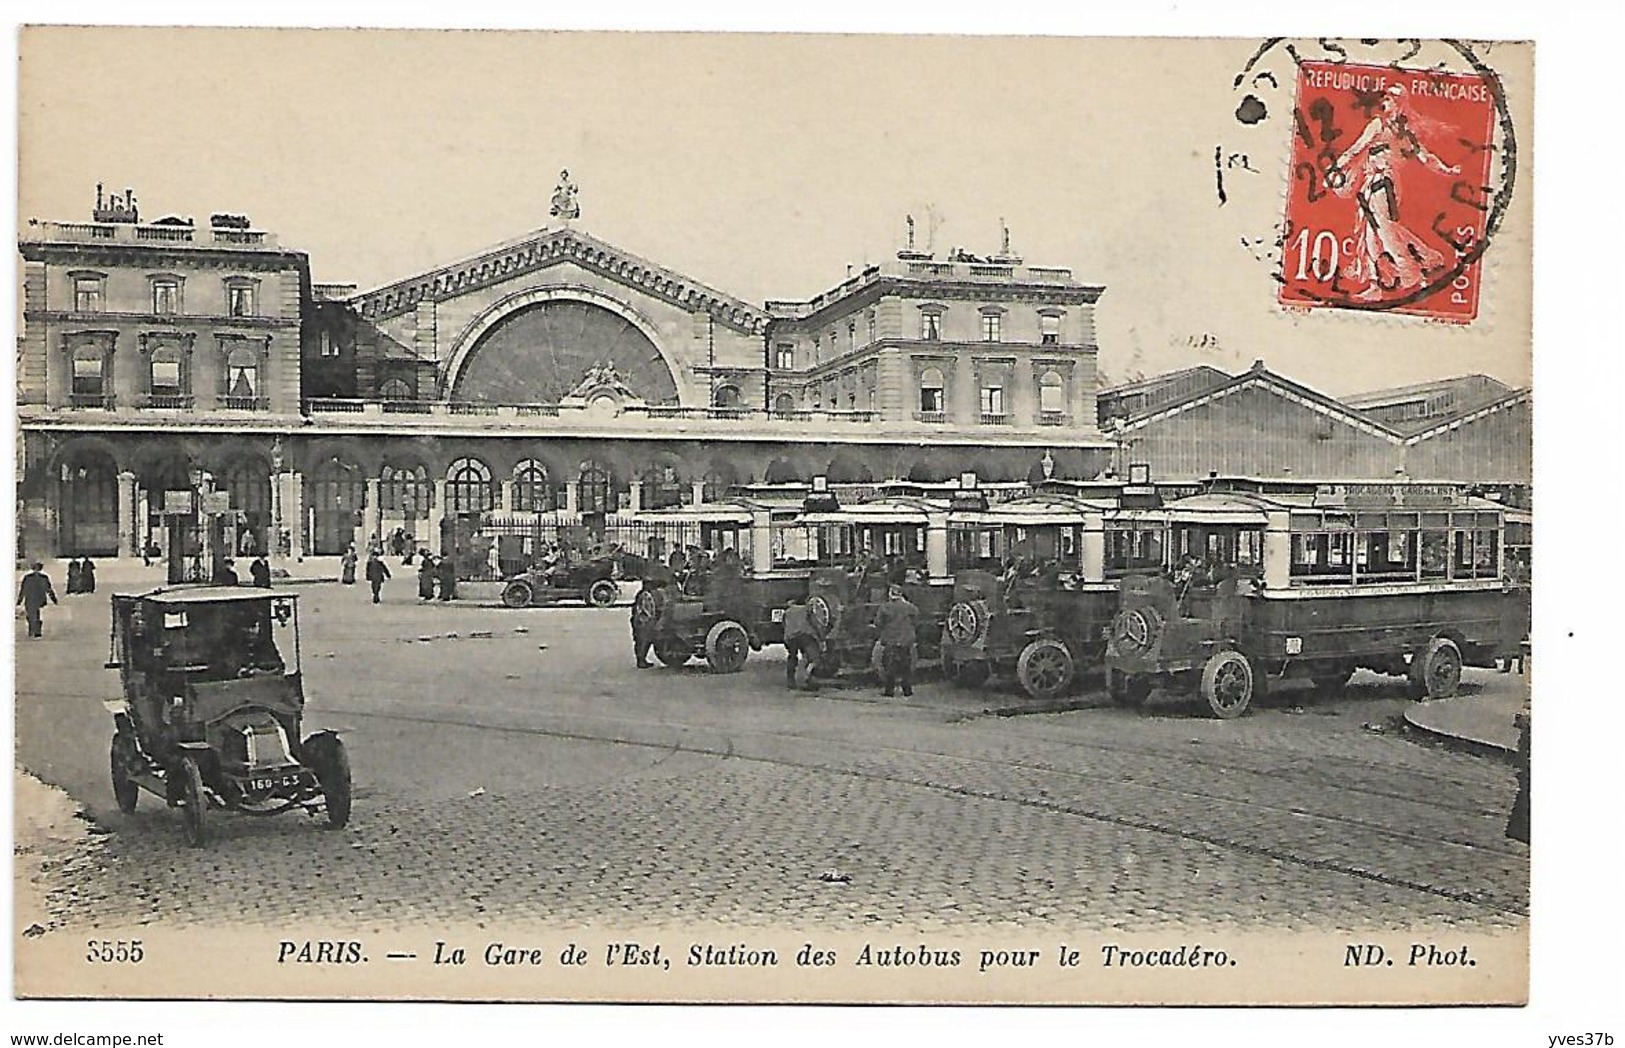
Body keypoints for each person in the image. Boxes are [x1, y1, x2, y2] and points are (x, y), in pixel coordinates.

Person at [871, 583, 919, 697]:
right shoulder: (910, 607)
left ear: (890, 594)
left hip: (891, 640)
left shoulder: (885, 607)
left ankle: (889, 691)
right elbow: (916, 619)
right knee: (906, 666)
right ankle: (907, 691)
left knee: (890, 666)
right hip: (906, 640)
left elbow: (878, 623)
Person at [630, 569, 671, 668]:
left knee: (642, 641)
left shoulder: (644, 594)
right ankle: (641, 660)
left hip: (641, 621)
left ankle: (641, 659)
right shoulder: (649, 595)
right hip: (644, 622)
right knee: (643, 641)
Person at [781, 598, 822, 691]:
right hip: (805, 636)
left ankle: (790, 681)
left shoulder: (787, 612)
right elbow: (814, 623)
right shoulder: (806, 609)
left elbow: (784, 625)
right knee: (813, 658)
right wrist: (819, 636)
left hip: (790, 638)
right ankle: (808, 679)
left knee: (792, 657)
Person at [16, 562, 57, 638]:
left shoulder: (27, 577)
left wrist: (19, 600)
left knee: (31, 614)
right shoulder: (44, 577)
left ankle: (33, 629)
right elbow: (48, 589)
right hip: (39, 599)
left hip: (30, 598)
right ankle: (36, 630)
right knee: (36, 614)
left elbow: (23, 589)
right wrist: (53, 598)